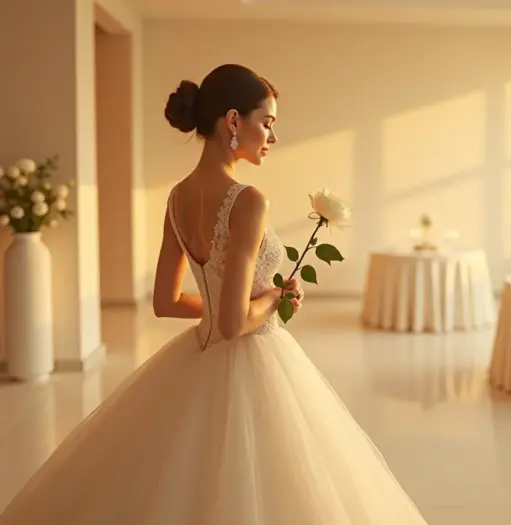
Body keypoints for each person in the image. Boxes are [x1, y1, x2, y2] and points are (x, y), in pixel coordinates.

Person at [0, 64, 429, 524]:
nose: (272, 136)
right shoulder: (248, 200)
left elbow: (166, 302)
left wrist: (232, 305)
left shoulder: (176, 198)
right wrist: (274, 298)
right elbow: (231, 326)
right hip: (255, 360)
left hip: (197, 355)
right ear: (232, 121)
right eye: (267, 122)